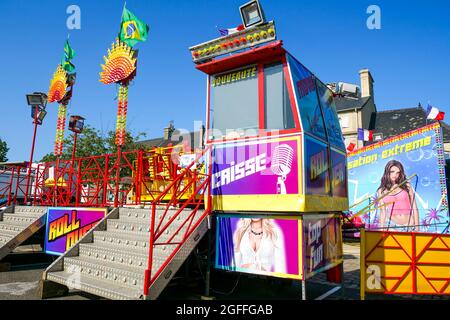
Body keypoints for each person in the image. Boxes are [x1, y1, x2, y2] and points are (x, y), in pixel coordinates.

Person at [376, 160, 419, 231]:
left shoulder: (406, 186)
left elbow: (415, 207)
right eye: (392, 172)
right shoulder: (381, 191)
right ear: (387, 172)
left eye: (398, 172)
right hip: (392, 225)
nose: (395, 175)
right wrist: (381, 230)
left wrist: (417, 229)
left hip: (409, 224)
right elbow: (382, 212)